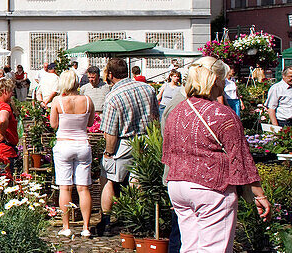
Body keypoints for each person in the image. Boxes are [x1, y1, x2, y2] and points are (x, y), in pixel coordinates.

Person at [163, 57, 269, 252]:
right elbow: (241, 157)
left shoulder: (176, 111)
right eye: (223, 79)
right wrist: (259, 194)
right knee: (214, 248)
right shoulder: (222, 114)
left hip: (178, 186)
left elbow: (169, 150)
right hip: (212, 187)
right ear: (215, 81)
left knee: (189, 248)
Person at [96, 58, 159, 237]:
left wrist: (108, 153)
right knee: (139, 181)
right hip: (146, 138)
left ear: (110, 75)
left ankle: (106, 222)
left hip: (124, 141)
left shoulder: (113, 97)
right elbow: (155, 118)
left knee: (108, 178)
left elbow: (110, 132)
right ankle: (138, 220)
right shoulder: (148, 89)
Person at [50, 69, 96, 237]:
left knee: (65, 187)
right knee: (84, 188)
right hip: (82, 144)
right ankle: (85, 227)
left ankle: (66, 226)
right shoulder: (88, 100)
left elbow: (53, 124)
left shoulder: (58, 101)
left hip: (64, 144)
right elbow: (90, 123)